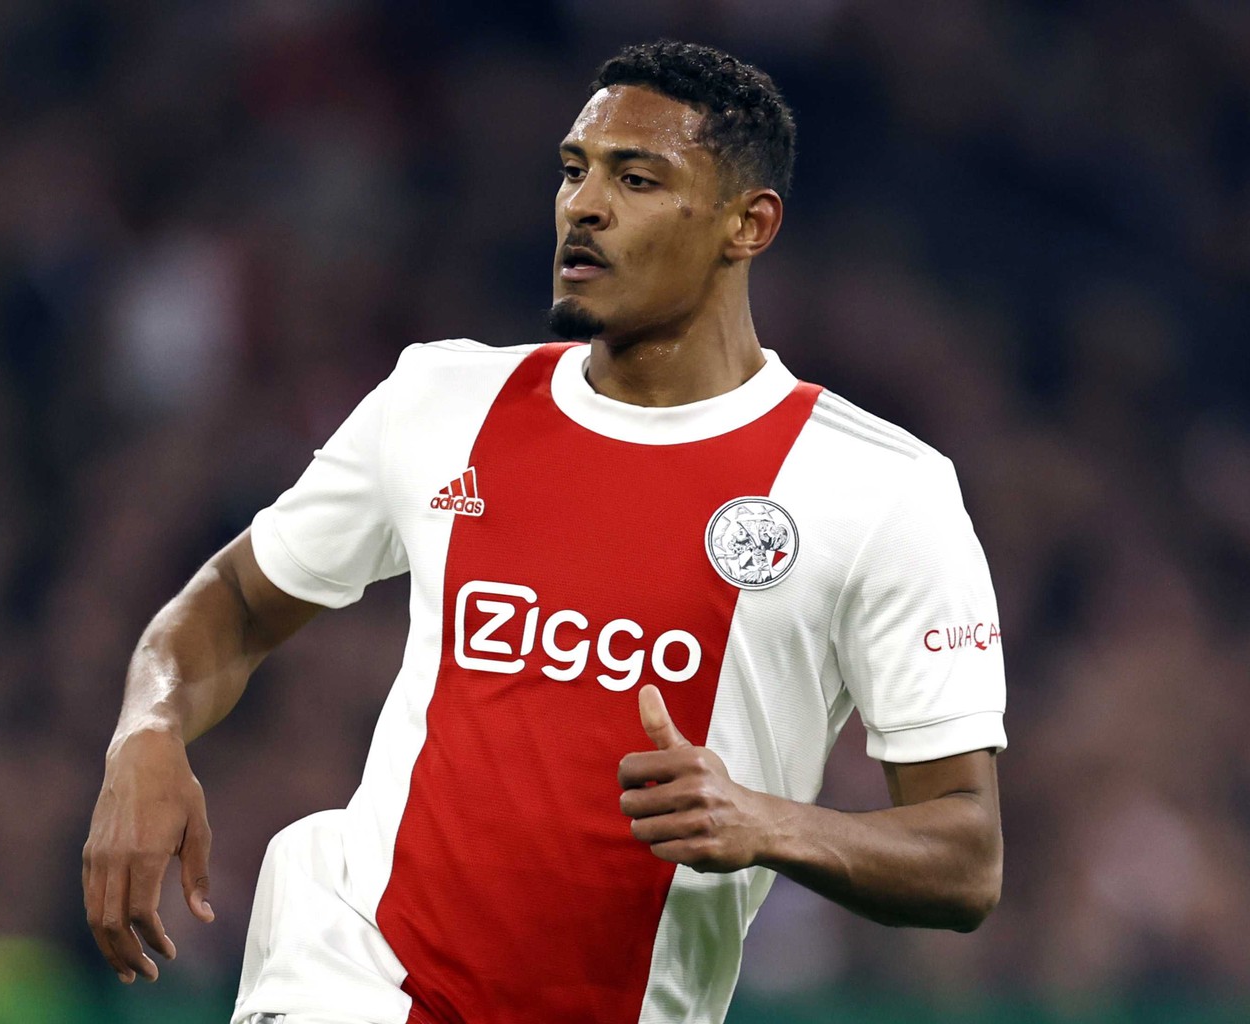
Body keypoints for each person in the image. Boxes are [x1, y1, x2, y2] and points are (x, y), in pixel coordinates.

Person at [82, 40, 1006, 1024]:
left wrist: (769, 822)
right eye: (576, 171)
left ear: (750, 223)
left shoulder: (881, 489)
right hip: (358, 983)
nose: (585, 205)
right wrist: (148, 729)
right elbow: (230, 605)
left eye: (637, 178)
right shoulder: (439, 401)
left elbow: (964, 855)